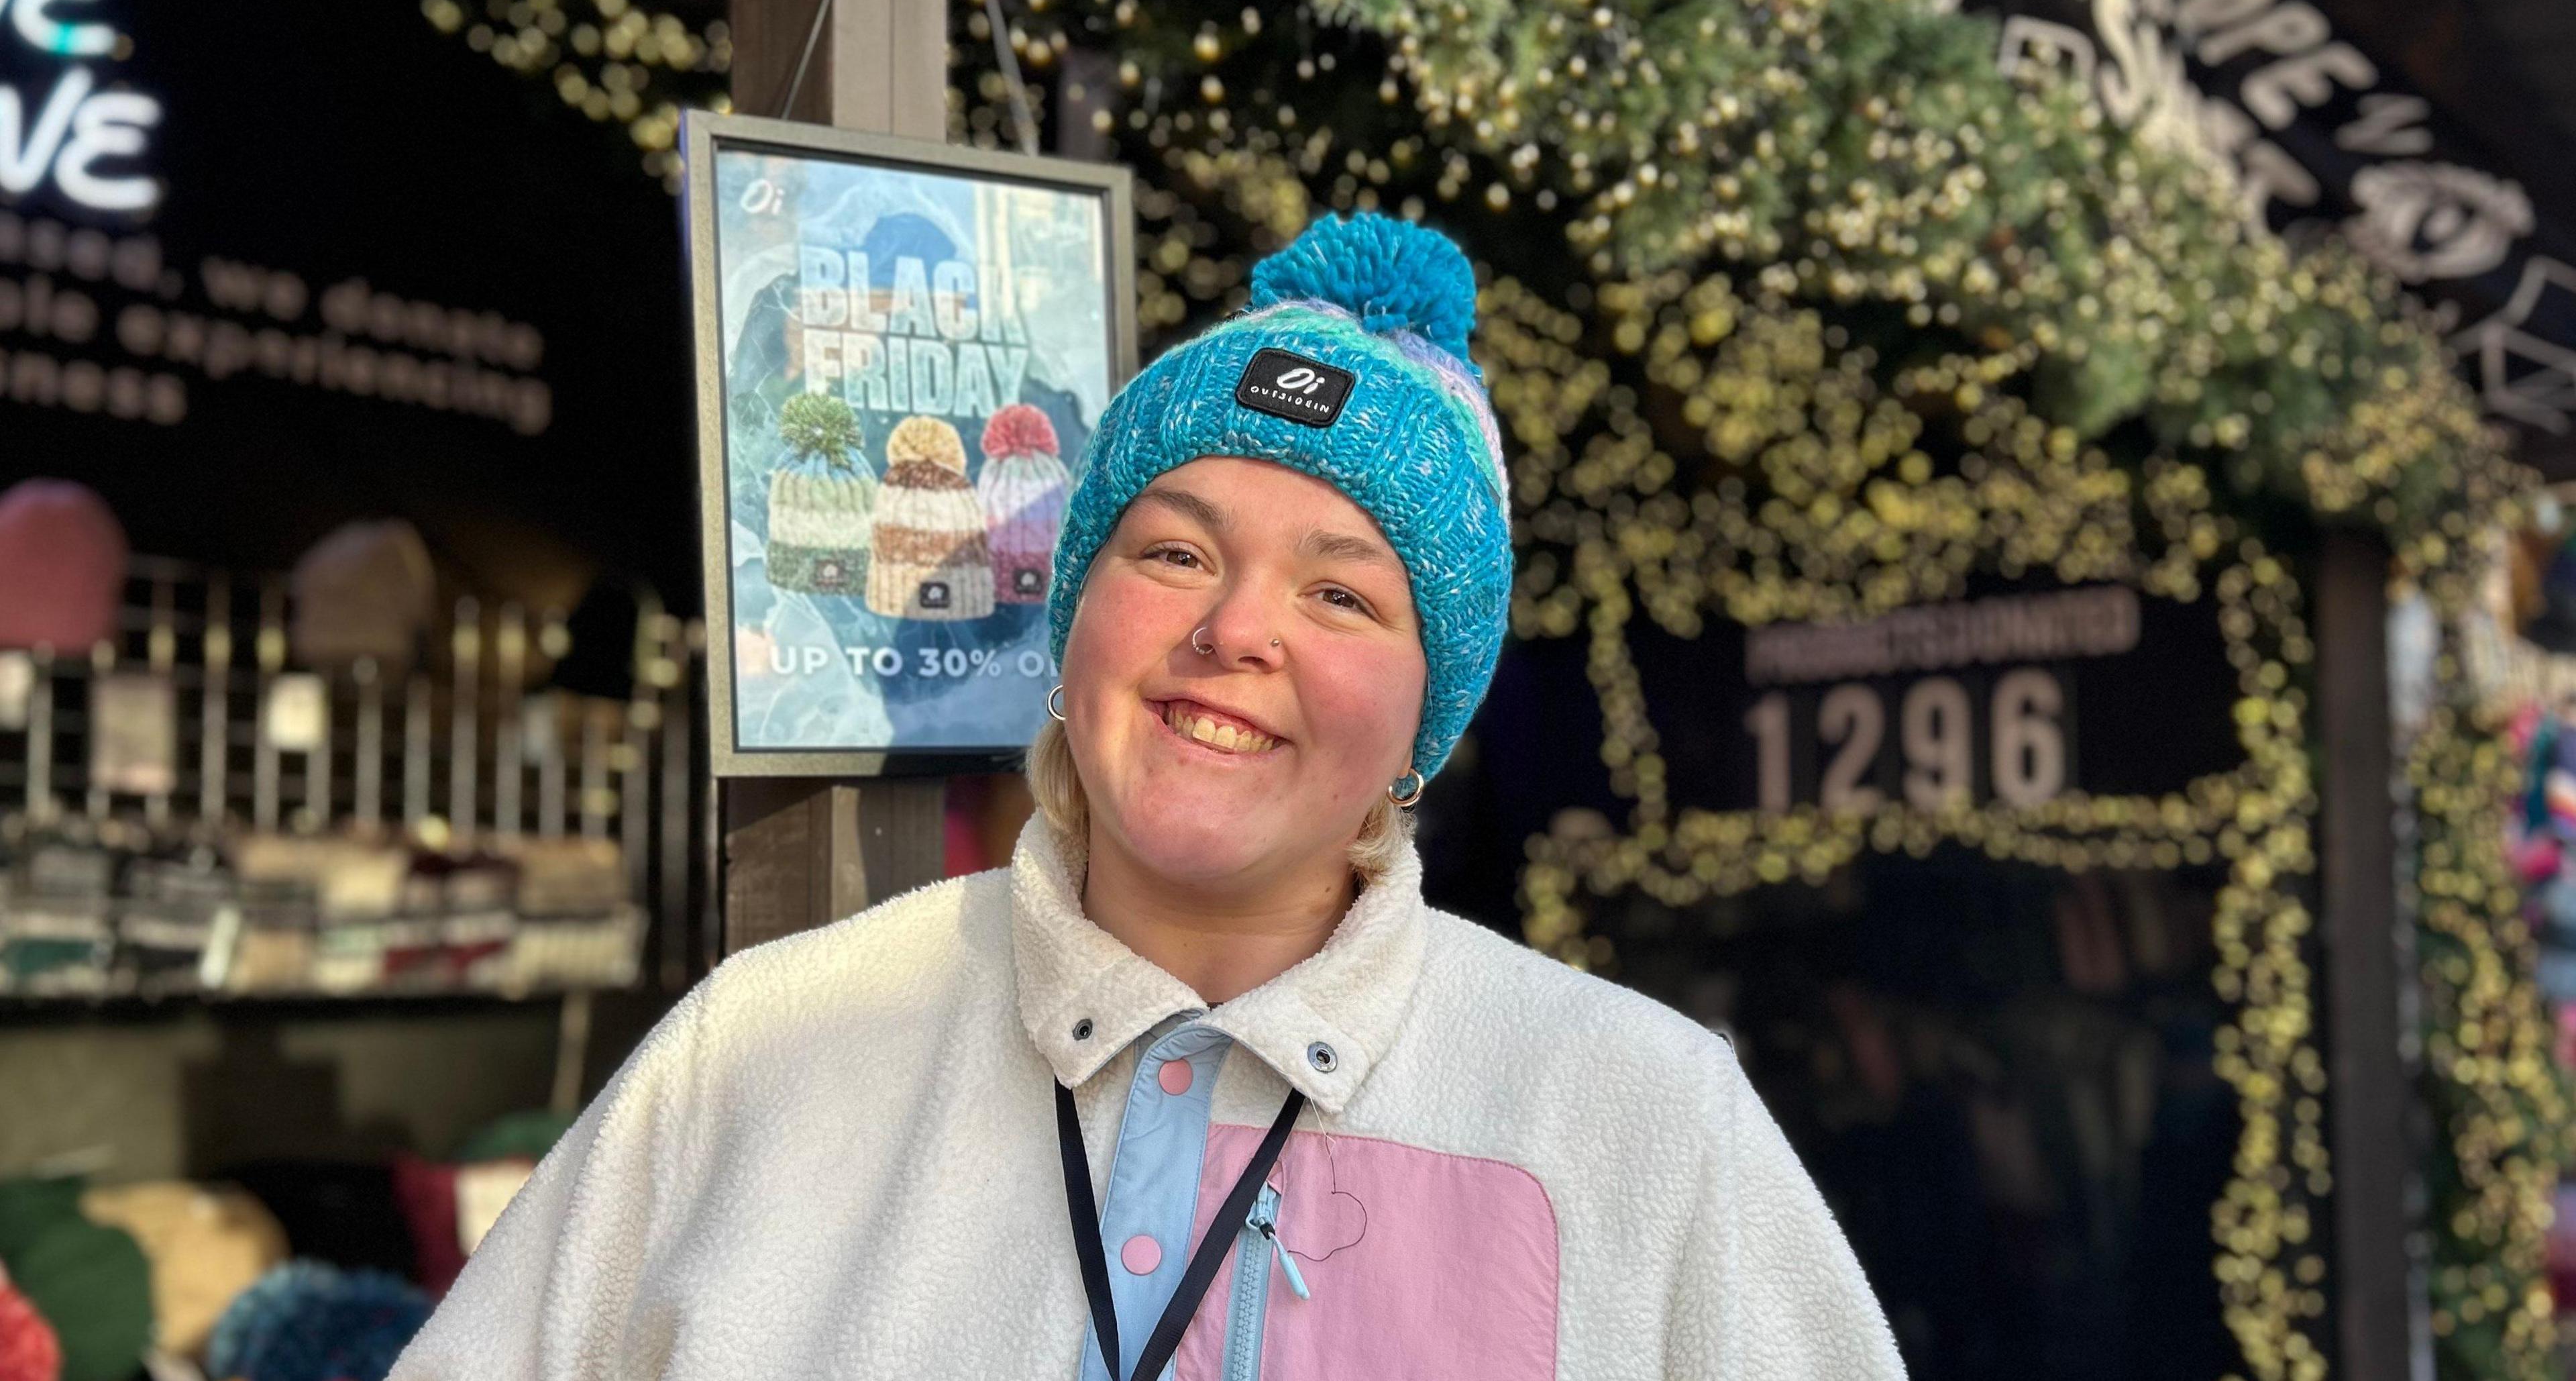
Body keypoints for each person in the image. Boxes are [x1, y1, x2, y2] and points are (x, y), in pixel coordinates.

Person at [393, 211, 1903, 1380]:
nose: (1235, 631)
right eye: (1173, 551)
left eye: (1343, 594)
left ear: (1421, 729)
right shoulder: (766, 1054)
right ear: (1074, 621)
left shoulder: (1633, 1117)